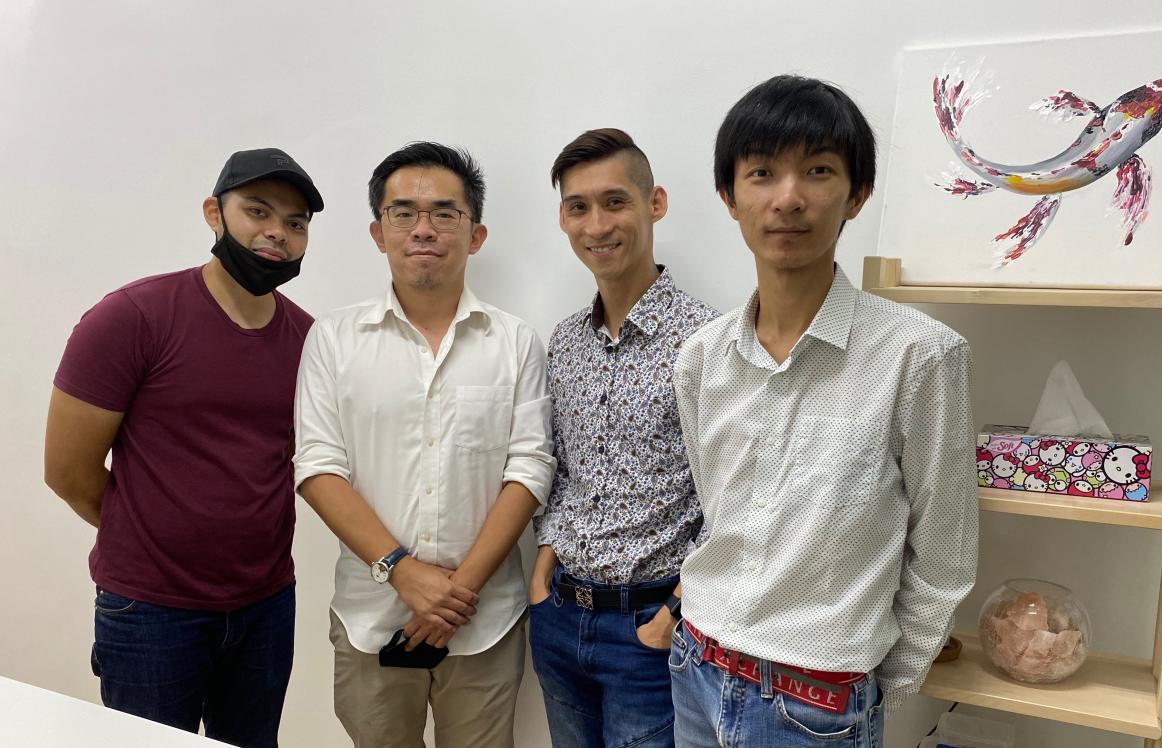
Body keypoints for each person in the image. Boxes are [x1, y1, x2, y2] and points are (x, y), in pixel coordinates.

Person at [670, 75, 979, 746]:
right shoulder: (700, 358)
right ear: (729, 196)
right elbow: (715, 508)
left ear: (856, 193)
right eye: (761, 173)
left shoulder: (920, 355)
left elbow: (945, 555)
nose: (788, 198)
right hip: (695, 662)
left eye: (817, 170)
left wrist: (871, 685)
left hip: (816, 703)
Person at [44, 147, 324, 747]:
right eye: (257, 210)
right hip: (149, 611)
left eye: (296, 223)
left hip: (266, 605)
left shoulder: (309, 339)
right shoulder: (133, 317)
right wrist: (148, 535)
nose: (277, 232)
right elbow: (67, 470)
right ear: (213, 214)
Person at [294, 142, 555, 748]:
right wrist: (401, 572)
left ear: (477, 233)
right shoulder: (333, 339)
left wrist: (455, 593)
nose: (424, 230)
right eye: (403, 213)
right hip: (370, 615)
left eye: (445, 213)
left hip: (484, 621)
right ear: (377, 231)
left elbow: (530, 470)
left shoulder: (515, 342)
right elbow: (317, 467)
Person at [529, 128, 717, 748]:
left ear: (654, 203)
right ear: (562, 218)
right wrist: (543, 568)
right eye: (577, 207)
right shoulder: (564, 341)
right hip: (559, 620)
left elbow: (736, 498)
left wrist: (673, 616)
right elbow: (560, 467)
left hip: (651, 631)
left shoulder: (708, 343)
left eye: (615, 202)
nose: (596, 224)